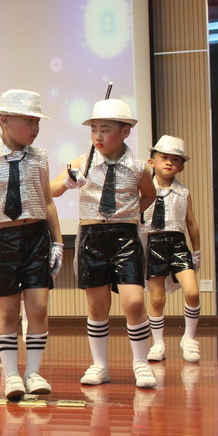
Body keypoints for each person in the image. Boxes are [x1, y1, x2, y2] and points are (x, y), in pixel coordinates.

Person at [0, 90, 64, 400]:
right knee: (7, 309)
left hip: (36, 237)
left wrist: (58, 242)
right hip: (3, 240)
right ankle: (11, 375)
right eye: (28, 121)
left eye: (37, 122)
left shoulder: (40, 157)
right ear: (4, 120)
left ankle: (33, 371)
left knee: (38, 307)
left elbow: (47, 202)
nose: (35, 128)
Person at [51, 98, 157, 388]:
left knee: (134, 301)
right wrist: (68, 182)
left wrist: (130, 213)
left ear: (125, 132)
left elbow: (149, 195)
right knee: (97, 305)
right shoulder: (82, 162)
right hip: (92, 236)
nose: (98, 136)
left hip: (125, 237)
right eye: (94, 129)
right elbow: (52, 190)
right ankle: (100, 365)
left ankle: (141, 363)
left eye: (106, 129)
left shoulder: (138, 167)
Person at [140, 135, 201, 363]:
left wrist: (196, 252)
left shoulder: (183, 192)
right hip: (153, 243)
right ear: (151, 161)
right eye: (164, 157)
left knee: (192, 292)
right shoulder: (143, 190)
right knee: (156, 298)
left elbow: (191, 223)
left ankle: (189, 337)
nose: (169, 162)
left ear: (181, 167)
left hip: (177, 243)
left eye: (175, 160)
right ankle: (158, 343)